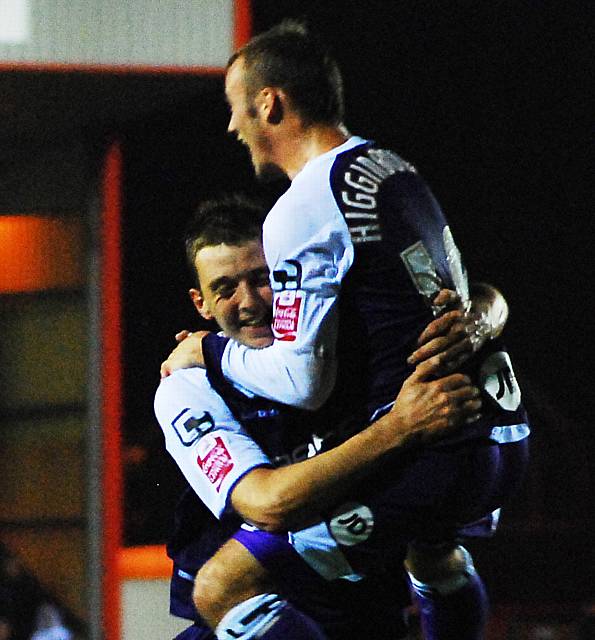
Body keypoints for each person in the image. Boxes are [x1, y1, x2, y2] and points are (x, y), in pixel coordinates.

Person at [157, 196, 513, 640]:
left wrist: (477, 319)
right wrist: (399, 426)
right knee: (222, 585)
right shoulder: (187, 387)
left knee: (434, 542)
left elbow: (479, 295)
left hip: (359, 608)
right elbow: (268, 504)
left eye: (263, 279)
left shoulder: (332, 335)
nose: (249, 302)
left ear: (290, 276)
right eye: (225, 288)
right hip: (258, 614)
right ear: (201, 304)